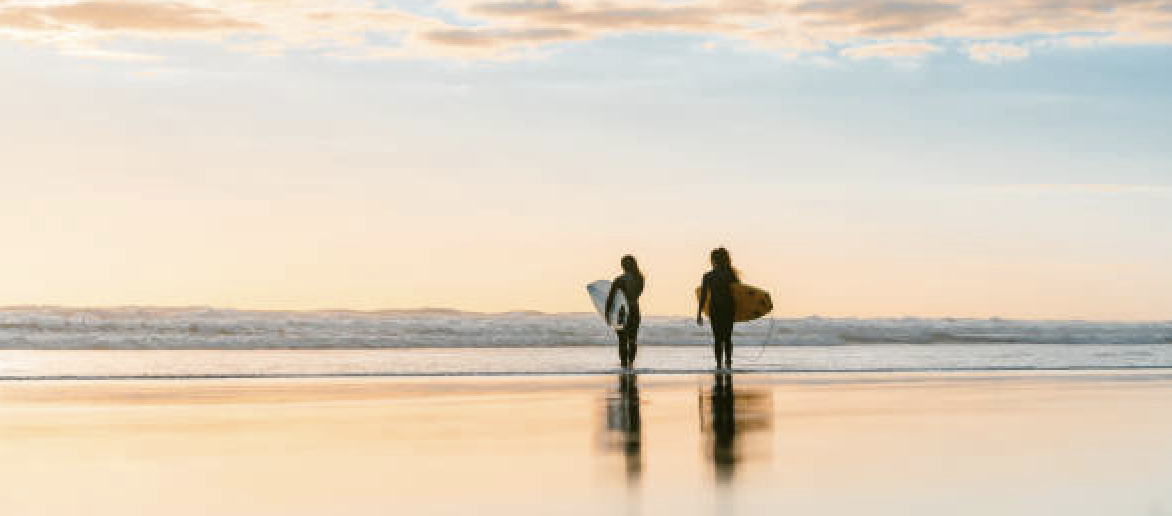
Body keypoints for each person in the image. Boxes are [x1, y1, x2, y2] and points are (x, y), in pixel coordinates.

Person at [697, 247, 738, 370]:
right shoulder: (730, 275)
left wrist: (699, 313)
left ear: (714, 260)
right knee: (727, 337)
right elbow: (739, 293)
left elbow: (703, 296)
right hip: (729, 308)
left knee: (717, 338)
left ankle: (719, 364)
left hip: (715, 309)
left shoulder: (708, 276)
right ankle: (729, 362)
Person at [605, 255, 644, 369]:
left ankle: (624, 365)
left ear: (623, 266)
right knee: (632, 339)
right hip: (635, 310)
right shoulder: (640, 278)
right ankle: (630, 365)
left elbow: (611, 298)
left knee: (622, 340)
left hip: (622, 312)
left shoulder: (619, 280)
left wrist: (607, 314)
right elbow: (636, 295)